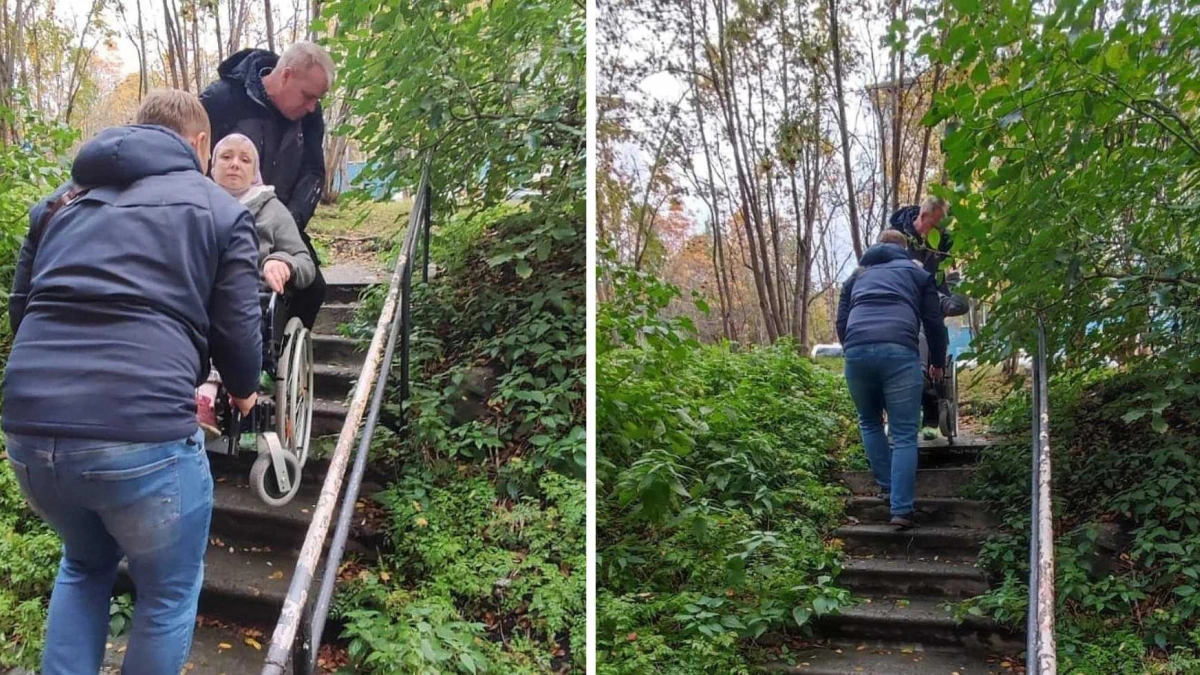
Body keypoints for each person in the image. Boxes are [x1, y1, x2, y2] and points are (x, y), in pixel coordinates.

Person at [1, 89, 262, 675]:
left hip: (29, 436)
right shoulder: (218, 208)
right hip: (141, 435)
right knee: (167, 594)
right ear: (200, 145)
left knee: (84, 566)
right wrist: (244, 388)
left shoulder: (60, 203)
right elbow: (238, 329)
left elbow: (23, 311)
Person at [200, 40, 335, 330]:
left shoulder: (311, 116)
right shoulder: (222, 99)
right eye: (308, 96)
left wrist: (290, 220)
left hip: (277, 217)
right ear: (285, 75)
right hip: (214, 218)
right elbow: (191, 153)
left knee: (312, 288)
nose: (313, 107)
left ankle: (277, 359)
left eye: (317, 100)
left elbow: (313, 170)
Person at [196, 132, 316, 435]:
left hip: (250, 297)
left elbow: (306, 264)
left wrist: (281, 261)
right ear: (211, 164)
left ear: (255, 171)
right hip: (197, 288)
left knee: (228, 309)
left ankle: (205, 398)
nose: (235, 164)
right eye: (226, 156)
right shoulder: (194, 199)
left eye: (244, 159)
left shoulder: (273, 210)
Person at [837, 230, 947, 529]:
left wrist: (853, 350)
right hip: (899, 351)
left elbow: (841, 320)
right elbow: (934, 321)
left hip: (857, 352)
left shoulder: (857, 275)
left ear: (878, 246)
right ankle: (900, 509)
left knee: (870, 422)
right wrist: (937, 362)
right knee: (903, 433)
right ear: (904, 248)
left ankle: (887, 487)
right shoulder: (916, 273)